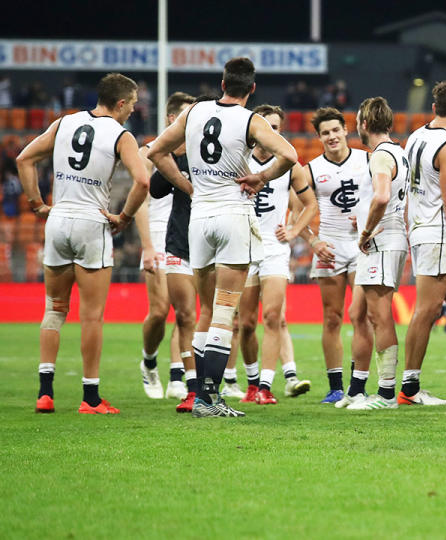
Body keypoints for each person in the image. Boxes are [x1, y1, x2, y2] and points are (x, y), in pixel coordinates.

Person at [148, 57, 298, 418]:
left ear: (222, 83)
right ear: (252, 89)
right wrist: (261, 178)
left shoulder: (195, 112)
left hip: (198, 220)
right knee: (224, 313)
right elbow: (289, 154)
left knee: (206, 312)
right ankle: (208, 399)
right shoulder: (251, 120)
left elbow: (155, 151)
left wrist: (188, 186)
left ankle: (199, 393)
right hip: (233, 215)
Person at [18, 73, 149, 414]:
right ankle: (90, 398)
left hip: (58, 220)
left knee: (54, 310)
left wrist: (36, 204)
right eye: (132, 105)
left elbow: (24, 159)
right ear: (120, 103)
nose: (133, 111)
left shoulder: (65, 123)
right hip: (93, 222)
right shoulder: (121, 135)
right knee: (91, 317)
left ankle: (44, 393)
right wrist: (124, 216)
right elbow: (143, 181)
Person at [235, 104, 318, 405]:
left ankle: (265, 387)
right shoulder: (238, 160)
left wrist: (294, 232)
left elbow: (310, 204)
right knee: (245, 323)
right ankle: (251, 381)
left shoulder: (291, 165)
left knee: (272, 316)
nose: (271, 133)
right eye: (266, 127)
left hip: (273, 248)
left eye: (276, 128)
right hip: (242, 247)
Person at [401, 81, 446, 406]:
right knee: (427, 311)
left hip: (418, 228)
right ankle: (409, 389)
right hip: (438, 235)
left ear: (433, 108)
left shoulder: (414, 137)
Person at [304, 107, 373, 406]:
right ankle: (335, 387)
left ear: (346, 130)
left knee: (361, 315)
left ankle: (359, 385)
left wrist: (371, 221)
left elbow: (387, 195)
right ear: (319, 137)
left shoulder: (366, 159)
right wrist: (313, 240)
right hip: (329, 247)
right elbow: (297, 211)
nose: (331, 136)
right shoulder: (311, 168)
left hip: (361, 246)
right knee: (332, 317)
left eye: (335, 130)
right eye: (325, 133)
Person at [347, 97, 410, 410]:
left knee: (379, 315)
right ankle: (356, 390)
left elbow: (382, 196)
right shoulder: (397, 151)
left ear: (366, 124)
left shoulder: (381, 156)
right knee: (357, 313)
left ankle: (386, 394)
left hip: (381, 239)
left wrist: (366, 229)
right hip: (389, 237)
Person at [135, 92, 195, 401]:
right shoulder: (149, 153)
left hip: (187, 235)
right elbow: (140, 202)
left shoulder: (198, 153)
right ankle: (148, 361)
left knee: (185, 312)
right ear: (172, 119)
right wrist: (146, 246)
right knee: (159, 311)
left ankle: (177, 374)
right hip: (158, 234)